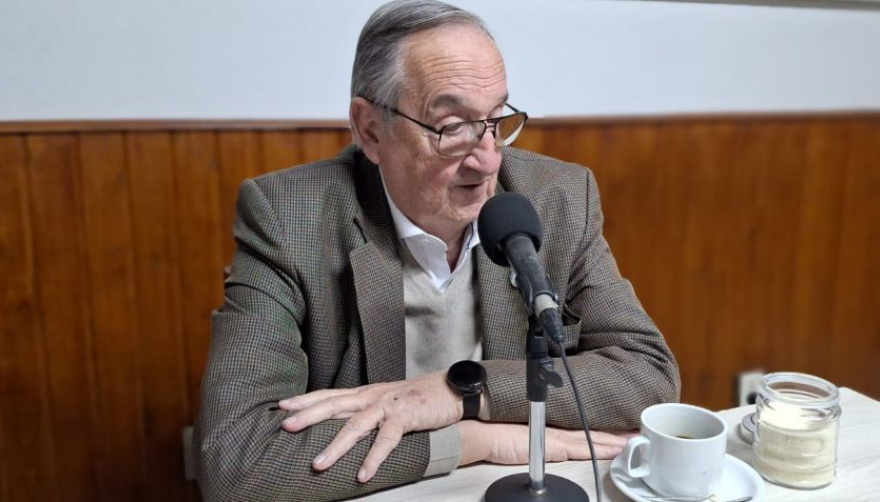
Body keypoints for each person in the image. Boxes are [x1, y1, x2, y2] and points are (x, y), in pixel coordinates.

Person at [194, 1, 680, 501]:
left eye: (496, 120)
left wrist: (461, 392)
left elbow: (648, 372)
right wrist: (474, 440)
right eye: (451, 127)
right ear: (370, 130)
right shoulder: (287, 217)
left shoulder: (556, 198)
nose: (487, 160)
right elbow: (236, 464)